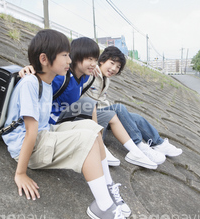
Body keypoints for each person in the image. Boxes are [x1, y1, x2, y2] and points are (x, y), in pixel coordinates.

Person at [2, 29, 141, 219]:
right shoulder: (32, 82)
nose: (70, 59)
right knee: (86, 137)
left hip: (43, 134)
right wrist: (20, 173)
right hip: (28, 148)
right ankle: (103, 207)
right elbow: (30, 132)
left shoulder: (47, 81)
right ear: (44, 59)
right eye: (65, 55)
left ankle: (108, 188)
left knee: (92, 128)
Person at [21, 37, 158, 170]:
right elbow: (42, 78)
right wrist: (28, 69)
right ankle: (101, 147)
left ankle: (135, 151)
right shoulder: (61, 78)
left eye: (95, 60)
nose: (94, 64)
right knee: (93, 103)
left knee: (116, 113)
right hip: (55, 122)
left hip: (73, 115)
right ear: (76, 56)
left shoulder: (85, 77)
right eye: (90, 59)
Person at [82, 46, 183, 160]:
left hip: (105, 113)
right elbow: (76, 71)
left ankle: (158, 144)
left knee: (136, 118)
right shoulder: (90, 73)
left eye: (118, 67)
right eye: (111, 63)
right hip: (90, 115)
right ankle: (139, 145)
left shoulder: (106, 79)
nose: (114, 68)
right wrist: (91, 66)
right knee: (119, 108)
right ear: (101, 60)